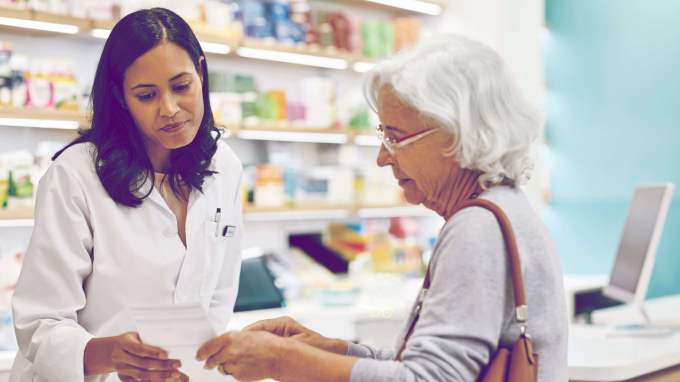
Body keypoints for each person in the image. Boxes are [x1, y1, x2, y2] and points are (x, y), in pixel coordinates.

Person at [195, 34, 568, 382]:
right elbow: (423, 365)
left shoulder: (478, 228)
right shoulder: (504, 208)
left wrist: (281, 359)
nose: (382, 158)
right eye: (382, 135)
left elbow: (427, 380)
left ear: (457, 134)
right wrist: (331, 349)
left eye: (395, 136)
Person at [10, 8, 243, 382]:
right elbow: (40, 324)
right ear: (120, 96)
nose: (169, 109)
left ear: (201, 71)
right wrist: (111, 355)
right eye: (147, 95)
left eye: (182, 86)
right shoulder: (76, 174)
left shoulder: (225, 167)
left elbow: (216, 299)